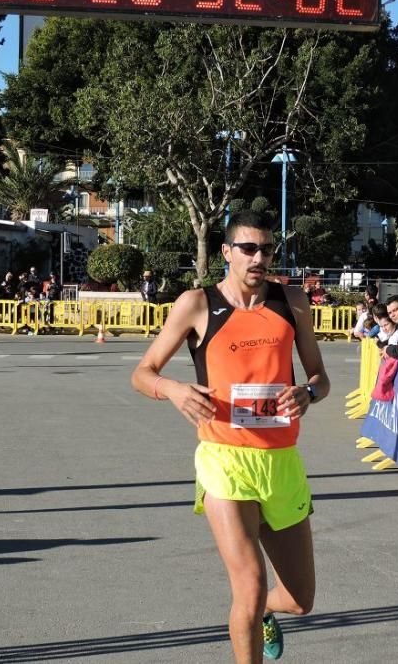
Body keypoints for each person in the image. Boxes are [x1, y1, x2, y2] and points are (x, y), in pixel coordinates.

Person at [131, 211, 328, 662]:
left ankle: (263, 614)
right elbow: (142, 373)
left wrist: (308, 393)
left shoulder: (292, 301)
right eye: (248, 248)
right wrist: (173, 389)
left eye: (267, 249)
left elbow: (320, 377)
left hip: (281, 462)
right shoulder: (197, 304)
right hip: (225, 461)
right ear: (227, 253)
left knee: (300, 600)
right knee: (250, 586)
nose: (259, 258)